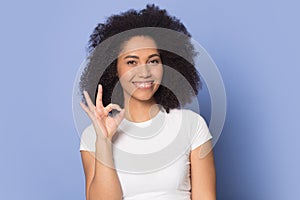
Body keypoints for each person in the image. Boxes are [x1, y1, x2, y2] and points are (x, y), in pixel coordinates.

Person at [78, 4, 216, 200]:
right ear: (113, 69)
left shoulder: (191, 126)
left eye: (153, 61)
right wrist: (103, 142)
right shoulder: (93, 136)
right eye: (131, 62)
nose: (144, 72)